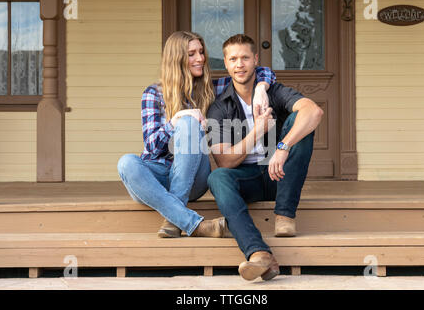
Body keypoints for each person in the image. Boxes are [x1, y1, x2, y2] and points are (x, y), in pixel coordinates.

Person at [117, 31, 276, 239]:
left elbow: (260, 71)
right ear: (177, 58)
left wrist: (261, 89)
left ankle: (175, 217)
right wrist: (175, 121)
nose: (200, 58)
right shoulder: (153, 94)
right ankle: (193, 223)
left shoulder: (212, 88)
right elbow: (152, 147)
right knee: (125, 163)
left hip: (194, 177)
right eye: (192, 53)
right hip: (157, 177)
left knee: (190, 123)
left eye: (201, 52)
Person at [206, 34, 324, 280]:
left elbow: (314, 111)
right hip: (246, 178)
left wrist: (282, 146)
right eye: (234, 59)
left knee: (299, 122)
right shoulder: (219, 106)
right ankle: (259, 253)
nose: (240, 64)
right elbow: (225, 161)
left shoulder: (275, 91)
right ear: (226, 64)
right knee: (217, 177)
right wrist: (257, 131)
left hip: (279, 175)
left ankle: (285, 215)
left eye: (245, 58)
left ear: (255, 60)